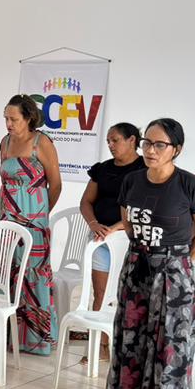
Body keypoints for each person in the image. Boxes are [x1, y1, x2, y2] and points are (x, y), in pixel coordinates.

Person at [103, 118, 195, 389]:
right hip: (136, 269)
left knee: (169, 352)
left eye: (159, 145)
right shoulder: (132, 181)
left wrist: (180, 264)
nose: (151, 150)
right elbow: (128, 222)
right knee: (130, 346)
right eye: (147, 143)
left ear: (176, 149)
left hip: (173, 274)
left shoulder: (190, 185)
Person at [0, 94, 62, 355]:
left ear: (28, 118)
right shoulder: (5, 142)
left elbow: (55, 184)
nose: (8, 124)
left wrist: (40, 214)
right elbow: (4, 181)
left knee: (34, 275)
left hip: (34, 221)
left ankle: (38, 340)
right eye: (6, 118)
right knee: (10, 272)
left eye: (13, 119)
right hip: (7, 218)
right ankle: (11, 336)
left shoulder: (41, 142)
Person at [79, 122, 143, 312]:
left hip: (130, 239)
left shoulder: (145, 169)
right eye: (108, 141)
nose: (110, 145)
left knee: (129, 295)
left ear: (132, 140)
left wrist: (115, 228)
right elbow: (86, 201)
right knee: (101, 293)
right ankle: (98, 332)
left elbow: (145, 209)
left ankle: (122, 331)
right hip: (101, 238)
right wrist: (93, 224)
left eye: (115, 140)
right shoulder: (103, 169)